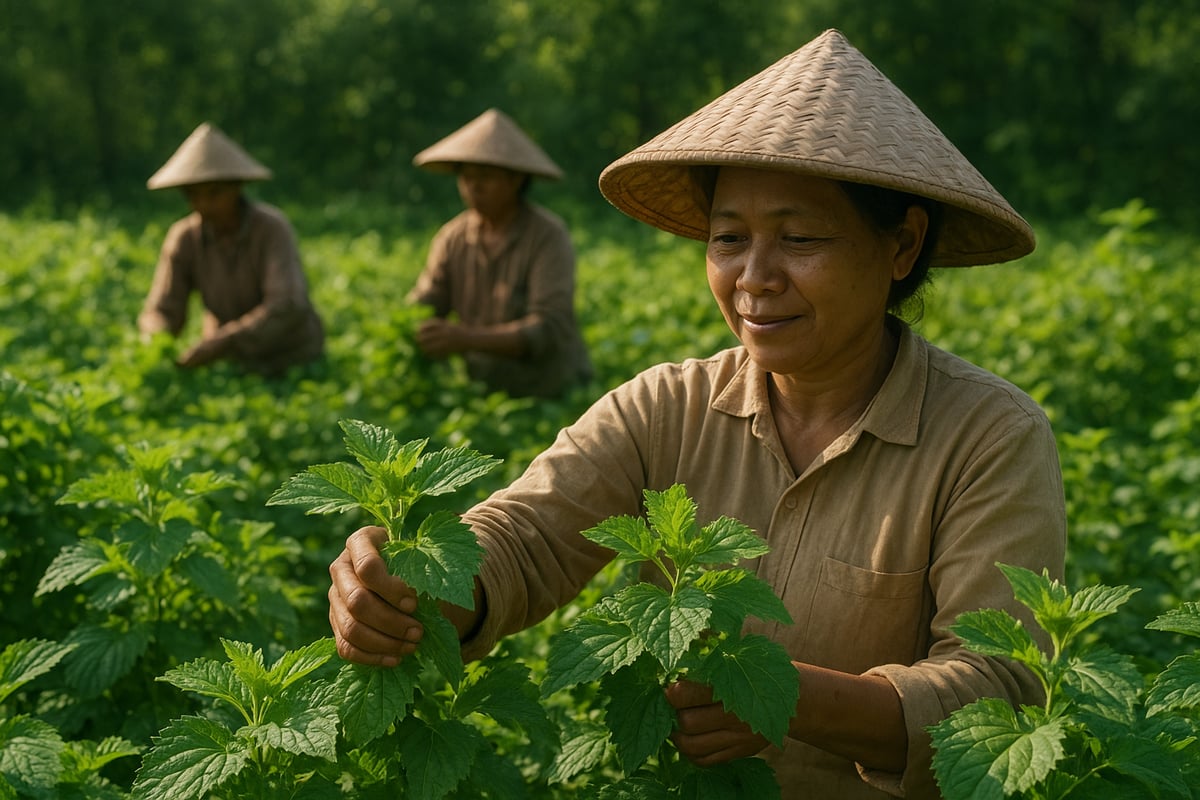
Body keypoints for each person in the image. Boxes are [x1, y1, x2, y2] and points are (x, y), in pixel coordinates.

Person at [327, 30, 1066, 798]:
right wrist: (407, 587)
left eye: (801, 238)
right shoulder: (666, 407)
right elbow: (524, 538)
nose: (754, 279)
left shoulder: (989, 436)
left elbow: (999, 692)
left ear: (903, 245)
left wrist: (776, 697)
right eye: (728, 240)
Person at [407, 108, 592, 398]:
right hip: (481, 388)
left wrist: (465, 338)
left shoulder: (548, 235)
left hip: (547, 389)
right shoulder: (452, 237)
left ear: (516, 180)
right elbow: (427, 302)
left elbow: (547, 327)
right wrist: (412, 324)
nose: (473, 187)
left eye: (485, 176)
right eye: (465, 177)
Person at [138, 122, 325, 376]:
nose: (203, 204)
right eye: (193, 195)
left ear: (237, 187)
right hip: (229, 366)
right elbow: (162, 308)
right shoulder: (184, 238)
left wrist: (223, 342)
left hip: (292, 359)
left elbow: (287, 305)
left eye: (214, 193)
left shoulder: (271, 229)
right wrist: (156, 341)